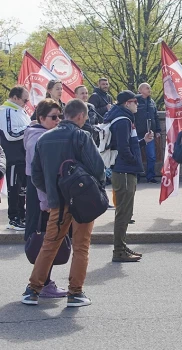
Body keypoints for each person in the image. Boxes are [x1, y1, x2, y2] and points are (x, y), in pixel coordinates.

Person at [21, 99, 105, 307]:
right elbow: (98, 168)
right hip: (82, 200)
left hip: (57, 201)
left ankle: (33, 290)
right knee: (81, 246)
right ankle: (75, 292)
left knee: (50, 244)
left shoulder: (44, 138)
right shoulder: (82, 136)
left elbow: (36, 175)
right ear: (80, 116)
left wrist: (50, 192)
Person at [23, 98, 66, 298]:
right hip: (40, 194)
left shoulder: (38, 134)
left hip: (40, 192)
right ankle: (41, 283)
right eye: (53, 117)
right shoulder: (38, 138)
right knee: (43, 237)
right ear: (41, 118)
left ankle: (41, 282)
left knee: (45, 237)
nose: (58, 120)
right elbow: (37, 175)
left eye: (60, 117)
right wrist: (46, 201)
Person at [104, 90, 153, 262]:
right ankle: (118, 250)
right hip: (124, 170)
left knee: (125, 211)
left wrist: (142, 142)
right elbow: (124, 149)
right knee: (124, 212)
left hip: (124, 169)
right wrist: (133, 161)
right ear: (127, 103)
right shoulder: (123, 120)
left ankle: (121, 247)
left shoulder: (123, 118)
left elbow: (125, 145)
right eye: (134, 101)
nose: (137, 104)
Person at [0, 85, 31, 230]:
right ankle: (14, 219)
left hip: (24, 157)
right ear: (15, 98)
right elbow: (10, 134)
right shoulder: (5, 111)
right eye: (25, 100)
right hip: (12, 157)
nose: (27, 103)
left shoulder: (21, 111)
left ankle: (22, 215)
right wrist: (30, 128)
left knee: (22, 189)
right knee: (14, 188)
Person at [135, 83, 162, 183]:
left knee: (151, 156)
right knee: (136, 155)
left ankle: (150, 176)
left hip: (149, 132)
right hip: (137, 132)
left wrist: (158, 130)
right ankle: (136, 176)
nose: (149, 89)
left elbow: (156, 117)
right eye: (147, 88)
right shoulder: (135, 100)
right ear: (141, 89)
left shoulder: (152, 102)